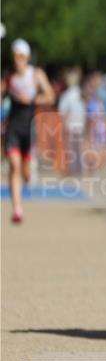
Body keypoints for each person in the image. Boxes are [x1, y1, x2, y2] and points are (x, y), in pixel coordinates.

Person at [2, 39, 55, 224]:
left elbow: (50, 96)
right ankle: (17, 209)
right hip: (13, 128)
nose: (18, 60)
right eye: (16, 56)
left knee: (25, 173)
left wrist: (31, 100)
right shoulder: (9, 78)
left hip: (29, 128)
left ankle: (28, 176)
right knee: (14, 165)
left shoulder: (36, 75)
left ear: (28, 57)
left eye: (22, 56)